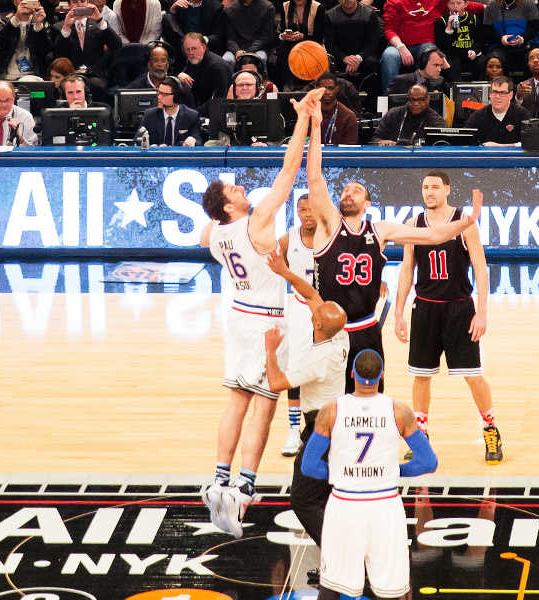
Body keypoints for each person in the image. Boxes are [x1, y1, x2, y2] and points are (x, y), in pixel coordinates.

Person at [198, 87, 325, 538]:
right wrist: (304, 119)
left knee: (236, 399)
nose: (242, 188)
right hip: (267, 318)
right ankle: (244, 488)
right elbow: (289, 171)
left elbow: (205, 231)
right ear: (229, 205)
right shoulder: (254, 222)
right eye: (234, 190)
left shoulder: (214, 234)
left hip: (237, 316)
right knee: (265, 405)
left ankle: (218, 479)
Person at [306, 101, 482, 395]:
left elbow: (433, 236)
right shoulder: (328, 225)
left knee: (371, 398)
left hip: (366, 328)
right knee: (327, 401)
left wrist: (467, 222)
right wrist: (315, 125)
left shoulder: (380, 229)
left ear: (367, 203)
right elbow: (314, 177)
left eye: (356, 190)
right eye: (346, 189)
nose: (349, 192)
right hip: (330, 329)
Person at [299, 348, 438, 600]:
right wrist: (395, 471)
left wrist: (338, 473)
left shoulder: (331, 411)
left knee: (332, 584)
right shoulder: (399, 411)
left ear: (351, 374)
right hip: (385, 505)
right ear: (381, 375)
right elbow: (429, 462)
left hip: (344, 504)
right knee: (391, 589)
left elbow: (308, 466)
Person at [393, 171, 501, 464]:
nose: (429, 192)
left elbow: (480, 268)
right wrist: (399, 312)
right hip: (425, 309)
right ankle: (421, 435)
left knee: (473, 376)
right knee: (421, 376)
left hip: (459, 309)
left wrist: (482, 312)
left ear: (447, 190)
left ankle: (491, 428)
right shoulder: (413, 225)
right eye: (425, 187)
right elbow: (407, 270)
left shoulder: (464, 222)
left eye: (435, 187)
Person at [261, 236, 350, 544]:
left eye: (316, 314)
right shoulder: (340, 336)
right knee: (328, 498)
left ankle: (336, 555)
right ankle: (339, 553)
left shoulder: (317, 361)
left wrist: (270, 350)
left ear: (317, 324)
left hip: (321, 433)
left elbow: (276, 383)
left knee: (302, 500)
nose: (314, 310)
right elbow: (311, 293)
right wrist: (284, 272)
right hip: (337, 424)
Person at [269, 199, 330, 459]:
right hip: (298, 309)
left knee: (326, 370)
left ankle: (322, 426)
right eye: (302, 210)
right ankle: (294, 430)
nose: (307, 214)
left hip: (326, 308)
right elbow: (274, 268)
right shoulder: (288, 239)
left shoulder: (330, 236)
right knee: (295, 370)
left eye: (311, 209)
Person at [381, 0, 485, 93]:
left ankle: (428, 96)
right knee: (389, 56)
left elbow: (460, 4)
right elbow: (389, 29)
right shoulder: (394, 2)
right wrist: (400, 46)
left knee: (430, 54)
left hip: (426, 44)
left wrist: (486, 8)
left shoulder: (437, 1)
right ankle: (389, 99)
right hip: (399, 44)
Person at [0, 0, 51, 105]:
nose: (26, 2)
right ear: (15, 2)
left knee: (40, 95)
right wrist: (15, 19)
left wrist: (38, 25)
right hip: (5, 77)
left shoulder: (42, 20)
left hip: (32, 76)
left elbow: (45, 50)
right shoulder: (3, 20)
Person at [52, 0, 123, 94]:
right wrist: (66, 28)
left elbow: (117, 46)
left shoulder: (99, 25)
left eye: (83, 1)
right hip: (70, 76)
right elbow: (58, 55)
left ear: (88, 3)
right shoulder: (59, 27)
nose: (79, 5)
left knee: (98, 85)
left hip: (96, 77)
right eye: (75, 2)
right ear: (69, 5)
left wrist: (100, 21)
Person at [325, 0, 383, 90]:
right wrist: (343, 57)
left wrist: (358, 58)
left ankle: (371, 98)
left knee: (372, 62)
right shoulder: (330, 15)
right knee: (328, 64)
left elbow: (373, 42)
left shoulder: (369, 14)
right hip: (339, 57)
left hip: (364, 56)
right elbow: (330, 44)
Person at [483, 0, 539, 77]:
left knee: (536, 59)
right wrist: (500, 39)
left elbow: (535, 27)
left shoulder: (528, 3)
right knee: (494, 63)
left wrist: (523, 38)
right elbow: (487, 30)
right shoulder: (492, 5)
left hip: (527, 44)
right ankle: (498, 84)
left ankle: (533, 84)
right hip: (499, 46)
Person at [277, 0, 331, 86]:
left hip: (312, 46)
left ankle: (309, 86)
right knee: (282, 51)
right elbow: (280, 31)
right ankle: (286, 86)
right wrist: (283, 36)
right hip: (290, 47)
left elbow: (321, 36)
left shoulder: (318, 8)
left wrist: (303, 37)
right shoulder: (285, 6)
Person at [372, 83, 445, 145]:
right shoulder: (393, 114)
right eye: (412, 100)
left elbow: (439, 145)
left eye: (420, 100)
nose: (416, 103)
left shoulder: (436, 121)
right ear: (408, 98)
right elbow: (375, 139)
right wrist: (382, 142)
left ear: (428, 99)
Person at [139, 75, 201, 145]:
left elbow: (198, 140)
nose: (159, 97)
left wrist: (193, 140)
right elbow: (138, 141)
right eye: (159, 93)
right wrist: (154, 147)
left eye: (164, 94)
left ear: (177, 96)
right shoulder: (149, 115)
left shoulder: (192, 116)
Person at [434, 0, 486, 83]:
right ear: (447, 5)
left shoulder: (474, 18)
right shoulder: (442, 21)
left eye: (459, 3)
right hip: (452, 54)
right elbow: (441, 46)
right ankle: (456, 88)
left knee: (482, 61)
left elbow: (480, 40)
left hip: (469, 52)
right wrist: (449, 29)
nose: (455, 6)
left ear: (466, 4)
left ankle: (478, 87)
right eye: (452, 3)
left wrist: (474, 51)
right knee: (451, 65)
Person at [464, 75, 526, 145]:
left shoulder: (522, 114)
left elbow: (531, 143)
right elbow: (465, 142)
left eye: (502, 93)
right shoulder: (477, 116)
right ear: (490, 94)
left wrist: (501, 146)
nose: (497, 96)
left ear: (510, 95)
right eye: (494, 92)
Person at [178, 32, 232, 109]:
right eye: (187, 49)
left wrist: (194, 113)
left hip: (218, 109)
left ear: (203, 47)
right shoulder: (193, 60)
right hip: (200, 106)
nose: (191, 53)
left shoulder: (217, 67)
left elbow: (218, 99)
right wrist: (180, 75)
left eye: (194, 48)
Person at [161, 0, 228, 58]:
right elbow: (171, 29)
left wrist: (201, 40)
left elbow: (218, 36)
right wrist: (172, 11)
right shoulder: (179, 4)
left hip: (206, 49)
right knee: (168, 18)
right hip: (182, 47)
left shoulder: (216, 7)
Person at [222, 0, 278, 67]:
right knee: (227, 59)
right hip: (237, 48)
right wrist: (237, 51)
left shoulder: (267, 7)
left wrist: (249, 52)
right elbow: (230, 38)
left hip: (258, 48)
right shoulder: (230, 9)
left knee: (261, 58)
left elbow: (266, 36)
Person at [314, 72, 359, 145]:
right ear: (316, 89)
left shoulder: (349, 117)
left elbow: (350, 148)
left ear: (337, 89)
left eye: (331, 88)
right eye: (323, 88)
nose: (327, 92)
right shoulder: (308, 114)